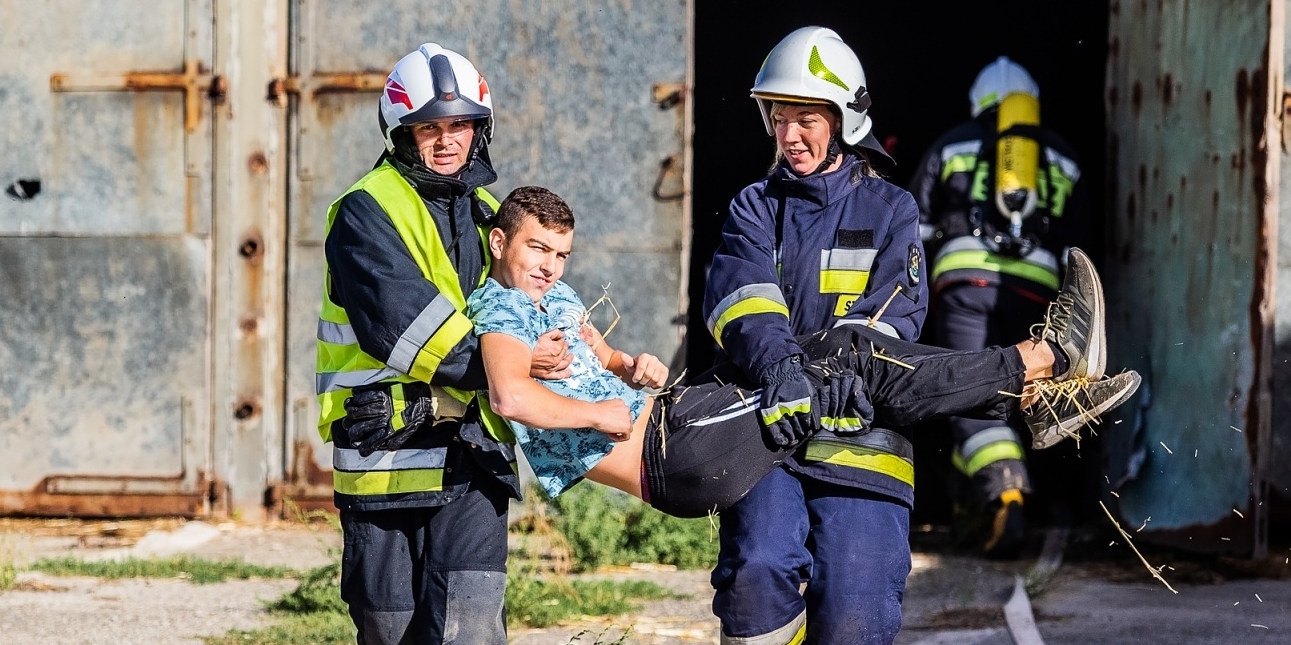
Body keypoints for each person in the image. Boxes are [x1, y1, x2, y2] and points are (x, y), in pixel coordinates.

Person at [697, 28, 1115, 645]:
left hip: (867, 442)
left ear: (845, 117)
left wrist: (834, 363)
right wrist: (784, 367)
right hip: (773, 443)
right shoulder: (756, 207)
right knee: (756, 570)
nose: (790, 133)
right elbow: (741, 301)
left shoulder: (893, 209)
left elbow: (891, 330)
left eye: (806, 116)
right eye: (778, 116)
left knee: (859, 601)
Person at [463, 185, 1140, 521]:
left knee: (842, 351)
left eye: (559, 254)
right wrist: (599, 414)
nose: (549, 265)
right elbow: (510, 396)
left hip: (678, 417)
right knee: (852, 357)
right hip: (668, 456)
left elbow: (597, 354)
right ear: (499, 243)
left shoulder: (547, 297)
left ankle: (1042, 396)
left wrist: (629, 366)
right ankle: (1047, 358)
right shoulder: (499, 308)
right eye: (536, 250)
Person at [317, 43, 571, 645]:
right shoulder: (365, 212)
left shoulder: (500, 223)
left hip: (473, 454)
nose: (449, 138)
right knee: (388, 629)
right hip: (387, 451)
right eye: (432, 125)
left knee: (470, 612)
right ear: (402, 127)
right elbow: (413, 330)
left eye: (463, 124)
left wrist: (597, 364)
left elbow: (544, 302)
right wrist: (513, 364)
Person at [909, 56, 1086, 557]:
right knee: (1024, 391)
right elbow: (1079, 248)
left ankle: (1005, 488)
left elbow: (913, 230)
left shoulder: (952, 143)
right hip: (1036, 295)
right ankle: (1009, 497)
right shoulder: (1063, 158)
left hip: (964, 288)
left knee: (969, 391)